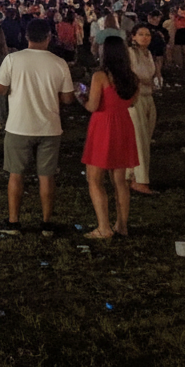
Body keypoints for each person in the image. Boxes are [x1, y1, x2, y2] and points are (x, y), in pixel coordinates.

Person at [0, 19, 76, 237]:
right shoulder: (59, 62)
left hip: (19, 125)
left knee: (16, 174)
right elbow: (68, 98)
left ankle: (14, 222)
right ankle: (47, 223)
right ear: (49, 37)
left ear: (26, 37)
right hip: (49, 127)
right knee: (47, 176)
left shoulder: (13, 59)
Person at [79, 36, 140, 239]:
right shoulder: (133, 78)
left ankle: (103, 227)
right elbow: (131, 102)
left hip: (103, 127)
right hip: (123, 125)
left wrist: (82, 97)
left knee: (95, 179)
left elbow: (93, 106)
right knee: (120, 181)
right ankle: (122, 225)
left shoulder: (100, 77)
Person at [126, 24, 160, 195]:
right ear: (133, 36)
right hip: (136, 99)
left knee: (145, 138)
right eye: (141, 34)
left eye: (147, 34)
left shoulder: (148, 55)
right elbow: (132, 76)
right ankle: (140, 180)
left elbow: (151, 75)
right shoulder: (131, 53)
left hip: (148, 97)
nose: (145, 37)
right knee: (139, 139)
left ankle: (131, 174)